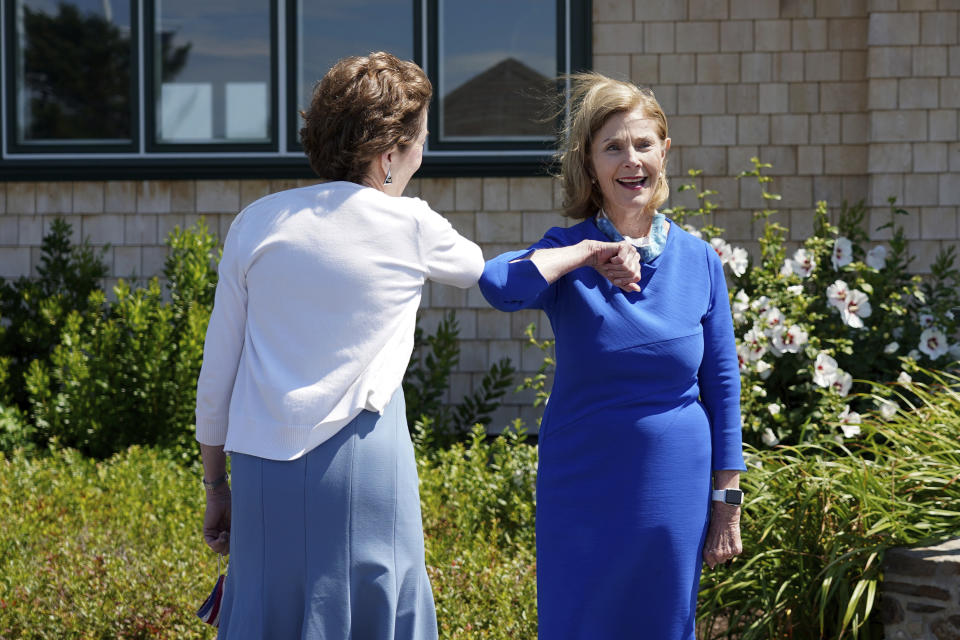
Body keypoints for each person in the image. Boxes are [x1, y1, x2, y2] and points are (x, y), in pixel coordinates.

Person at [195, 51, 484, 639]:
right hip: (364, 460)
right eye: (420, 141)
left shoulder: (257, 222)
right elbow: (494, 273)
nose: (423, 155)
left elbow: (217, 373)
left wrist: (215, 486)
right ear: (387, 156)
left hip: (260, 467)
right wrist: (581, 252)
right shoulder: (410, 225)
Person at [478, 73, 746, 639]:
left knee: (663, 624)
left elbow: (722, 384)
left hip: (674, 479)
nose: (632, 161)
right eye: (613, 147)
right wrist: (587, 252)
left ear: (664, 153)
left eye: (643, 144)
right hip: (583, 481)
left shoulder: (698, 260)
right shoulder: (567, 253)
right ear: (590, 163)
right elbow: (499, 285)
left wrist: (727, 501)